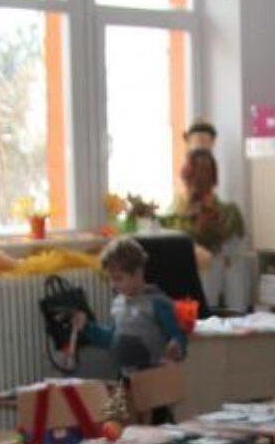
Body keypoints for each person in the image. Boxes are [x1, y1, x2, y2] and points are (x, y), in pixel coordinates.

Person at [71, 237, 187, 376]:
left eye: (118, 278)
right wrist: (87, 327)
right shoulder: (118, 304)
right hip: (125, 375)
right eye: (110, 279)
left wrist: (176, 345)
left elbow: (177, 334)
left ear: (138, 273)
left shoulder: (157, 302)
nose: (113, 285)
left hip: (154, 376)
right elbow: (113, 338)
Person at [163, 148, 245, 266]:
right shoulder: (176, 213)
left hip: (217, 272)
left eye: (195, 174)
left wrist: (203, 227)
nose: (183, 176)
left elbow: (230, 249)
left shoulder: (230, 213)